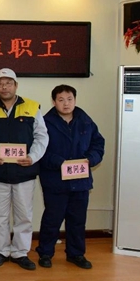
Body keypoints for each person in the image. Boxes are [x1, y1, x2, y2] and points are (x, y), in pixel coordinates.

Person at [0, 68, 48, 271]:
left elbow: (41, 136)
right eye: (0, 84)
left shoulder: (32, 107)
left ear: (16, 85)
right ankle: (1, 250)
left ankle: (20, 252)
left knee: (24, 216)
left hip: (24, 172)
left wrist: (32, 157)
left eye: (8, 83)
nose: (4, 87)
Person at [35, 85, 105, 269]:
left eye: (69, 99)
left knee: (77, 220)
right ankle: (45, 253)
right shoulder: (45, 122)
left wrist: (91, 159)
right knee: (52, 219)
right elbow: (39, 150)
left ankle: (76, 254)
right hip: (55, 180)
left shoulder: (86, 121)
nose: (66, 104)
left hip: (80, 181)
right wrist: (59, 162)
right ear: (54, 102)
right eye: (61, 100)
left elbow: (98, 144)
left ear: (75, 100)